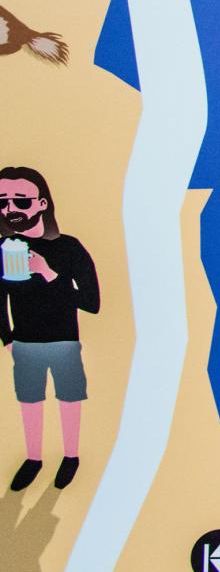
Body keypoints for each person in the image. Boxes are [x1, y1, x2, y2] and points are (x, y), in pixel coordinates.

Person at [0, 166, 99, 491]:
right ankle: (34, 459)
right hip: (24, 343)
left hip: (64, 342)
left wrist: (49, 274)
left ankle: (71, 456)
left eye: (21, 201)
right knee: (29, 401)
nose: (10, 209)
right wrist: (8, 339)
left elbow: (91, 302)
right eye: (2, 202)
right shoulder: (4, 249)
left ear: (42, 203)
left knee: (69, 398)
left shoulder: (68, 248)